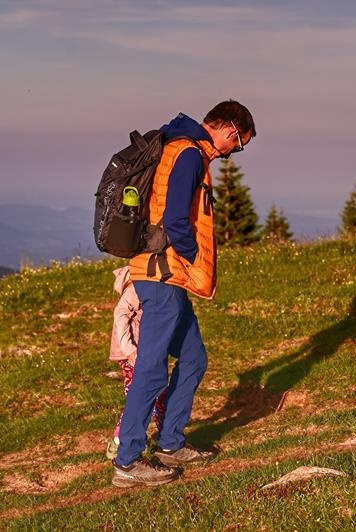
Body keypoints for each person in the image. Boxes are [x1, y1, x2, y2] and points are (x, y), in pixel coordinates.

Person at [112, 100, 256, 488]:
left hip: (166, 273)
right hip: (164, 273)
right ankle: (127, 461)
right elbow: (176, 220)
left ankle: (170, 443)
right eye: (239, 143)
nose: (234, 151)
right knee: (152, 367)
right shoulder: (189, 154)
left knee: (193, 358)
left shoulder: (182, 147)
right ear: (229, 130)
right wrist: (194, 260)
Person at [106, 265, 167, 460]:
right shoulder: (137, 286)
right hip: (131, 353)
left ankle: (165, 434)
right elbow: (120, 314)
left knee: (155, 393)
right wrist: (130, 349)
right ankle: (119, 441)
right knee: (141, 394)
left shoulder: (146, 282)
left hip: (142, 351)